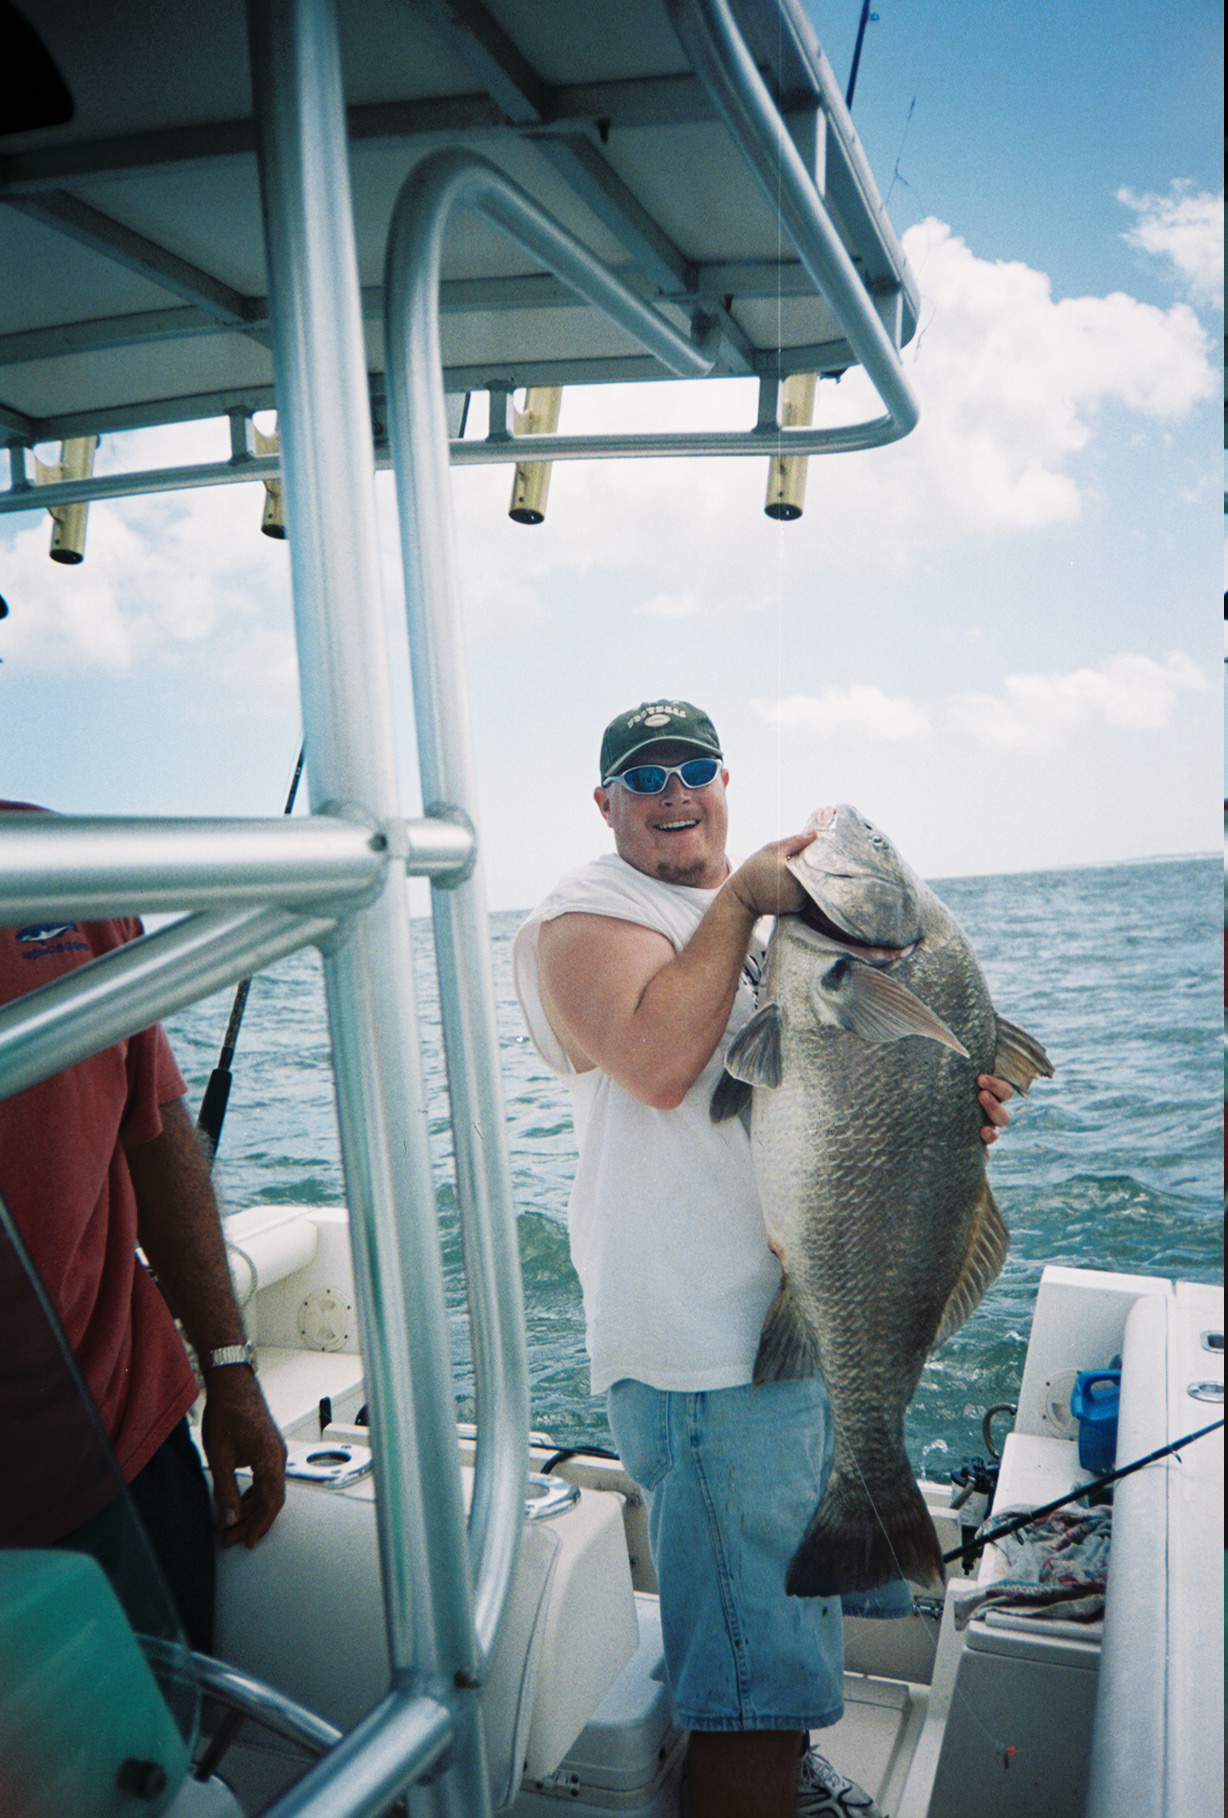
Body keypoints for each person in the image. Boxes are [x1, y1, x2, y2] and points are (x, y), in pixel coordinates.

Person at [513, 703, 1013, 1818]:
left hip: (803, 1325)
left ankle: (786, 1780)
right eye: (642, 776)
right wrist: (742, 897)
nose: (671, 790)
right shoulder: (586, 911)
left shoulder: (798, 944)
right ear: (605, 805)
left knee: (782, 1662)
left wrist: (954, 1106)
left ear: (725, 780)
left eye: (692, 767)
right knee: (750, 1684)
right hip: (705, 1361)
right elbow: (652, 1064)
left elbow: (857, 1082)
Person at [0, 801, 286, 1654]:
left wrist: (229, 1371)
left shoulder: (61, 862)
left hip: (127, 1441)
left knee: (166, 1766)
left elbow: (156, 1134)